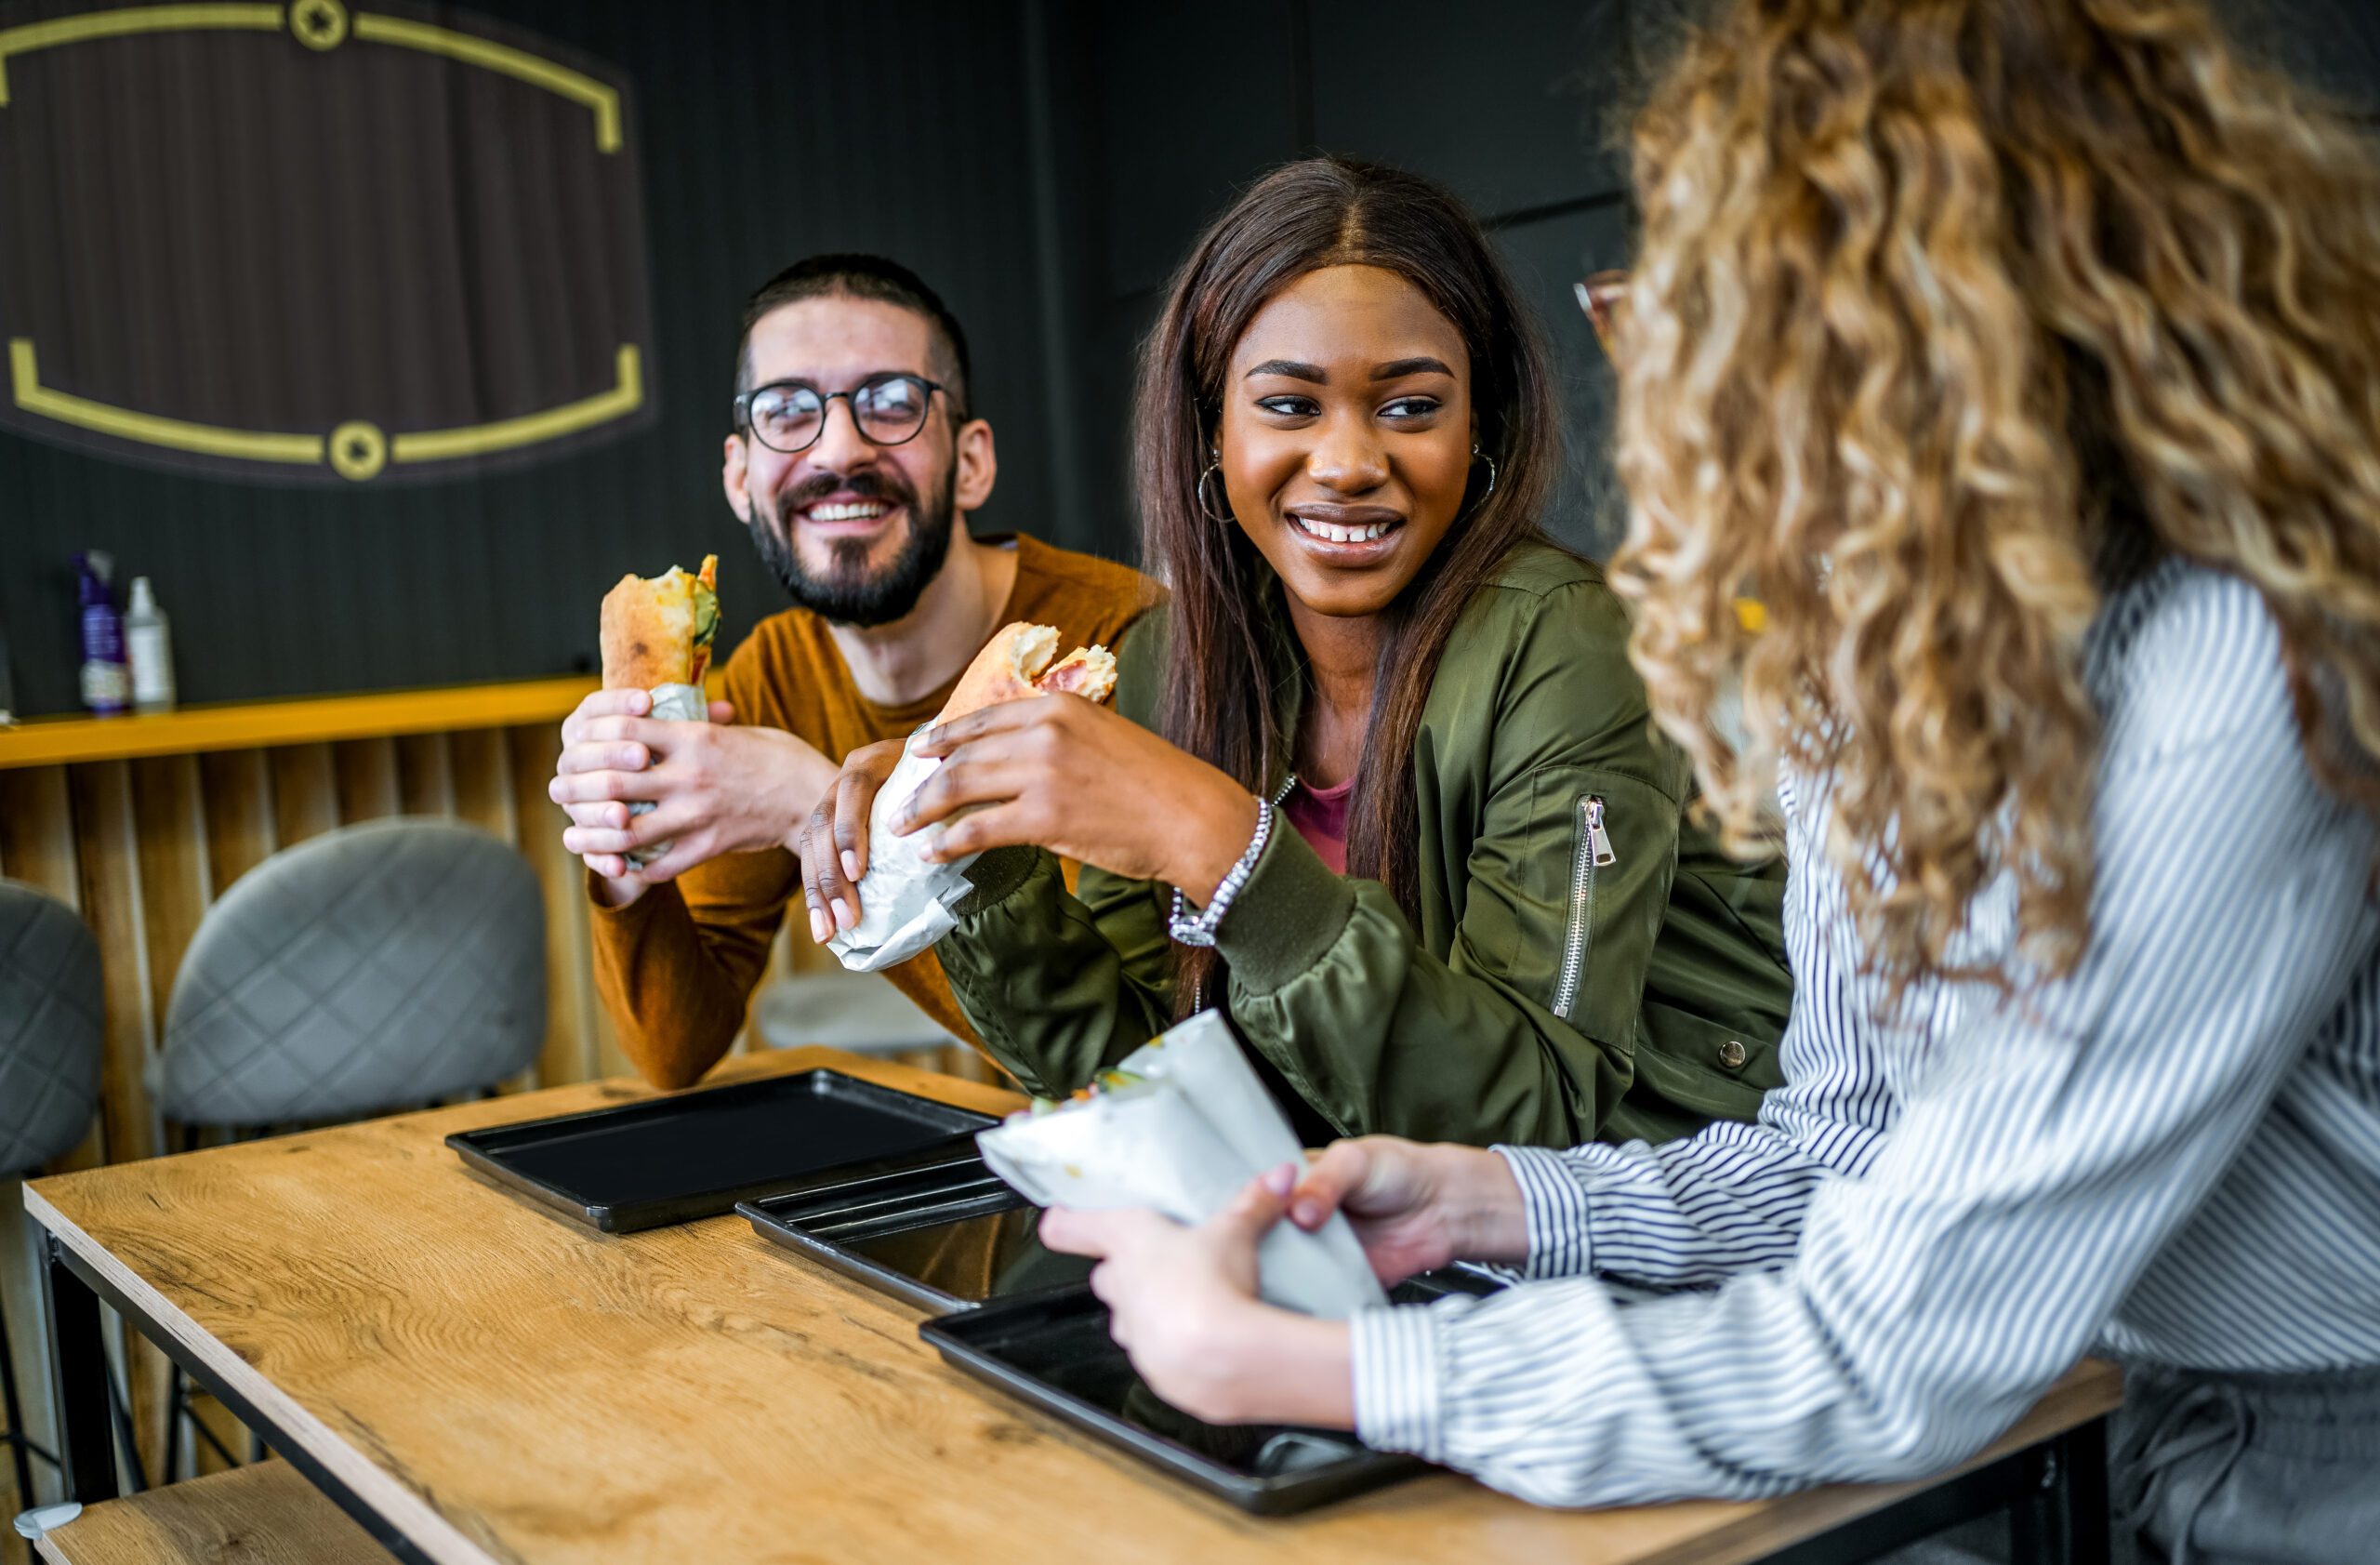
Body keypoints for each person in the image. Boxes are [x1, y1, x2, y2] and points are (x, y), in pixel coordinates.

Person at [1029, 4, 2380, 1558]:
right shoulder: (1876, 654)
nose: (1687, 384)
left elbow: (1904, 1341)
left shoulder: (2246, 667)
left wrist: (1343, 1367)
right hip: (2152, 1413)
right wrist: (1495, 1203)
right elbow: (1843, 1156)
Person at [800, 159, 1794, 1148]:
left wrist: (1224, 850)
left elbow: (1536, 1108)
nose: (1350, 463)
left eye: (1410, 406)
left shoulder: (1566, 644)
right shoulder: (1162, 666)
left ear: (1479, 424)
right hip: (1358, 1243)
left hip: (1670, 1244)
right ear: (1211, 429)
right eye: (1288, 405)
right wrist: (989, 859)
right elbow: (1144, 1097)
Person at [549, 255, 1150, 1087]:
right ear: (739, 476)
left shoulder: (1119, 648)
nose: (838, 448)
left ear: (971, 461)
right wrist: (623, 834)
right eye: (787, 411)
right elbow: (673, 1048)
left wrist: (817, 812)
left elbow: (1127, 1061)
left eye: (892, 402)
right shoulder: (774, 675)